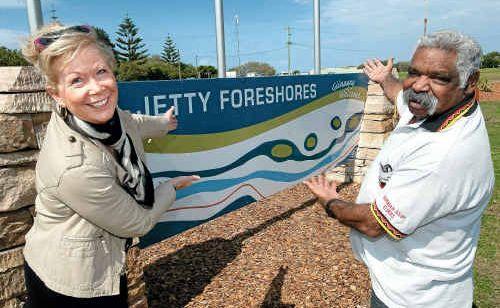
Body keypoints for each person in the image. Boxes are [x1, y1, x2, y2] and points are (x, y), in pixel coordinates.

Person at [304, 30, 494, 307]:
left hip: (414, 298)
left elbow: (372, 224)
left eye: (439, 77)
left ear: (470, 81)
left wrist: (330, 202)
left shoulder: (443, 157)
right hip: (406, 283)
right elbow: (400, 98)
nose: (418, 86)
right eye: (414, 72)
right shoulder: (436, 108)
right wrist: (386, 79)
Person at [21, 23, 199, 307]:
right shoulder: (75, 168)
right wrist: (170, 189)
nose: (96, 88)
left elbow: (130, 122)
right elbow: (137, 223)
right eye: (77, 80)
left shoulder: (98, 114)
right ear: (56, 93)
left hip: (101, 260)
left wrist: (163, 124)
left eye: (101, 71)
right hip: (75, 284)